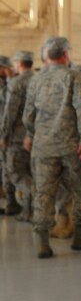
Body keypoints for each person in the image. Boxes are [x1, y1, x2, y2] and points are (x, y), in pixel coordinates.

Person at [22, 36, 81, 258]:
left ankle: (42, 242)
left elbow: (28, 114)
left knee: (44, 193)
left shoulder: (36, 80)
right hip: (71, 146)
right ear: (66, 54)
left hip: (43, 147)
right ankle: (80, 237)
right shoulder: (74, 76)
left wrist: (32, 134)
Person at [0, 51, 35, 221]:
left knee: (16, 173)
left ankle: (31, 206)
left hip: (17, 137)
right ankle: (29, 210)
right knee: (30, 171)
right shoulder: (39, 80)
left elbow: (10, 113)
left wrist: (3, 135)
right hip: (36, 135)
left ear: (19, 63)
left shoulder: (16, 83)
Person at [0, 54, 20, 216]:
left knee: (6, 168)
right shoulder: (6, 84)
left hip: (5, 132)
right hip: (3, 131)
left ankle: (12, 203)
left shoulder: (7, 83)